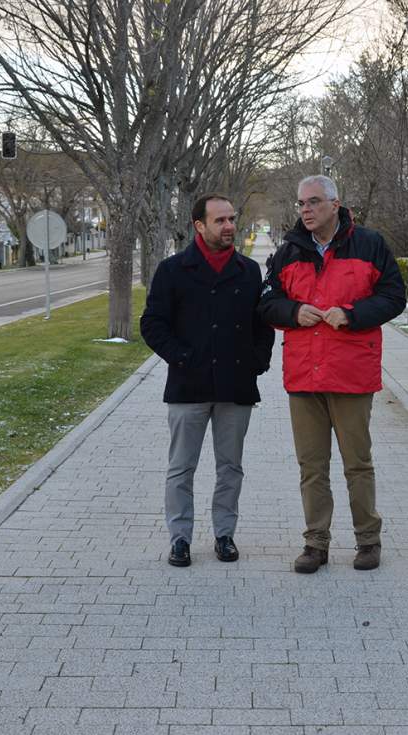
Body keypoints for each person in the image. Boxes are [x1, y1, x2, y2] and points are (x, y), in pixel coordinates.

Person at [258, 175, 406, 573]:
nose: (305, 210)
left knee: (357, 462)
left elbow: (395, 297)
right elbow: (267, 302)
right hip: (304, 374)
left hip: (351, 373)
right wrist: (292, 312)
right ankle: (315, 543)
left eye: (313, 202)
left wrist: (354, 315)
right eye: (301, 204)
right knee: (312, 466)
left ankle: (368, 541)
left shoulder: (370, 244)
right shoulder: (288, 251)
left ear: (335, 204)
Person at [140, 193, 275, 567]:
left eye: (232, 219)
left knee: (230, 467)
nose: (229, 226)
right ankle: (180, 538)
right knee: (181, 467)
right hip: (188, 386)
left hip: (236, 386)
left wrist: (257, 362)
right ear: (199, 225)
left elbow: (262, 324)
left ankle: (224, 535)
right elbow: (151, 324)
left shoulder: (249, 270)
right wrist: (184, 358)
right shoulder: (173, 270)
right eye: (220, 220)